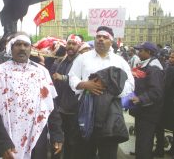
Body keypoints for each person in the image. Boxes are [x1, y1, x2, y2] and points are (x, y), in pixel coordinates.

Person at [0, 32, 63, 159]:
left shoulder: (42, 73)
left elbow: (51, 106)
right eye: (18, 44)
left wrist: (57, 134)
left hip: (36, 134)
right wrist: (3, 143)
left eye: (26, 45)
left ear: (31, 49)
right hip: (9, 135)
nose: (22, 48)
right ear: (11, 48)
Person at [68, 26, 135, 159]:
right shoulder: (83, 58)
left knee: (108, 153)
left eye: (105, 37)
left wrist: (111, 92)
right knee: (84, 152)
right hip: (87, 111)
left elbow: (130, 84)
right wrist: (85, 84)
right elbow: (72, 77)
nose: (101, 39)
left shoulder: (120, 61)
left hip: (111, 114)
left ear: (111, 41)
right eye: (98, 36)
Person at [52, 34, 86, 159]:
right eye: (69, 43)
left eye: (74, 44)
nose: (71, 46)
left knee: (72, 142)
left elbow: (81, 79)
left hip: (74, 109)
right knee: (58, 139)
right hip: (61, 107)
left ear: (79, 46)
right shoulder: (64, 60)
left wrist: (63, 78)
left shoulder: (82, 61)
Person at [130, 41, 164, 159]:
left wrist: (140, 98)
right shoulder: (145, 65)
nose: (138, 52)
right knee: (141, 140)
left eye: (141, 50)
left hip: (149, 112)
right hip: (142, 110)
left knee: (144, 142)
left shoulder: (154, 68)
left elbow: (156, 92)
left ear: (148, 52)